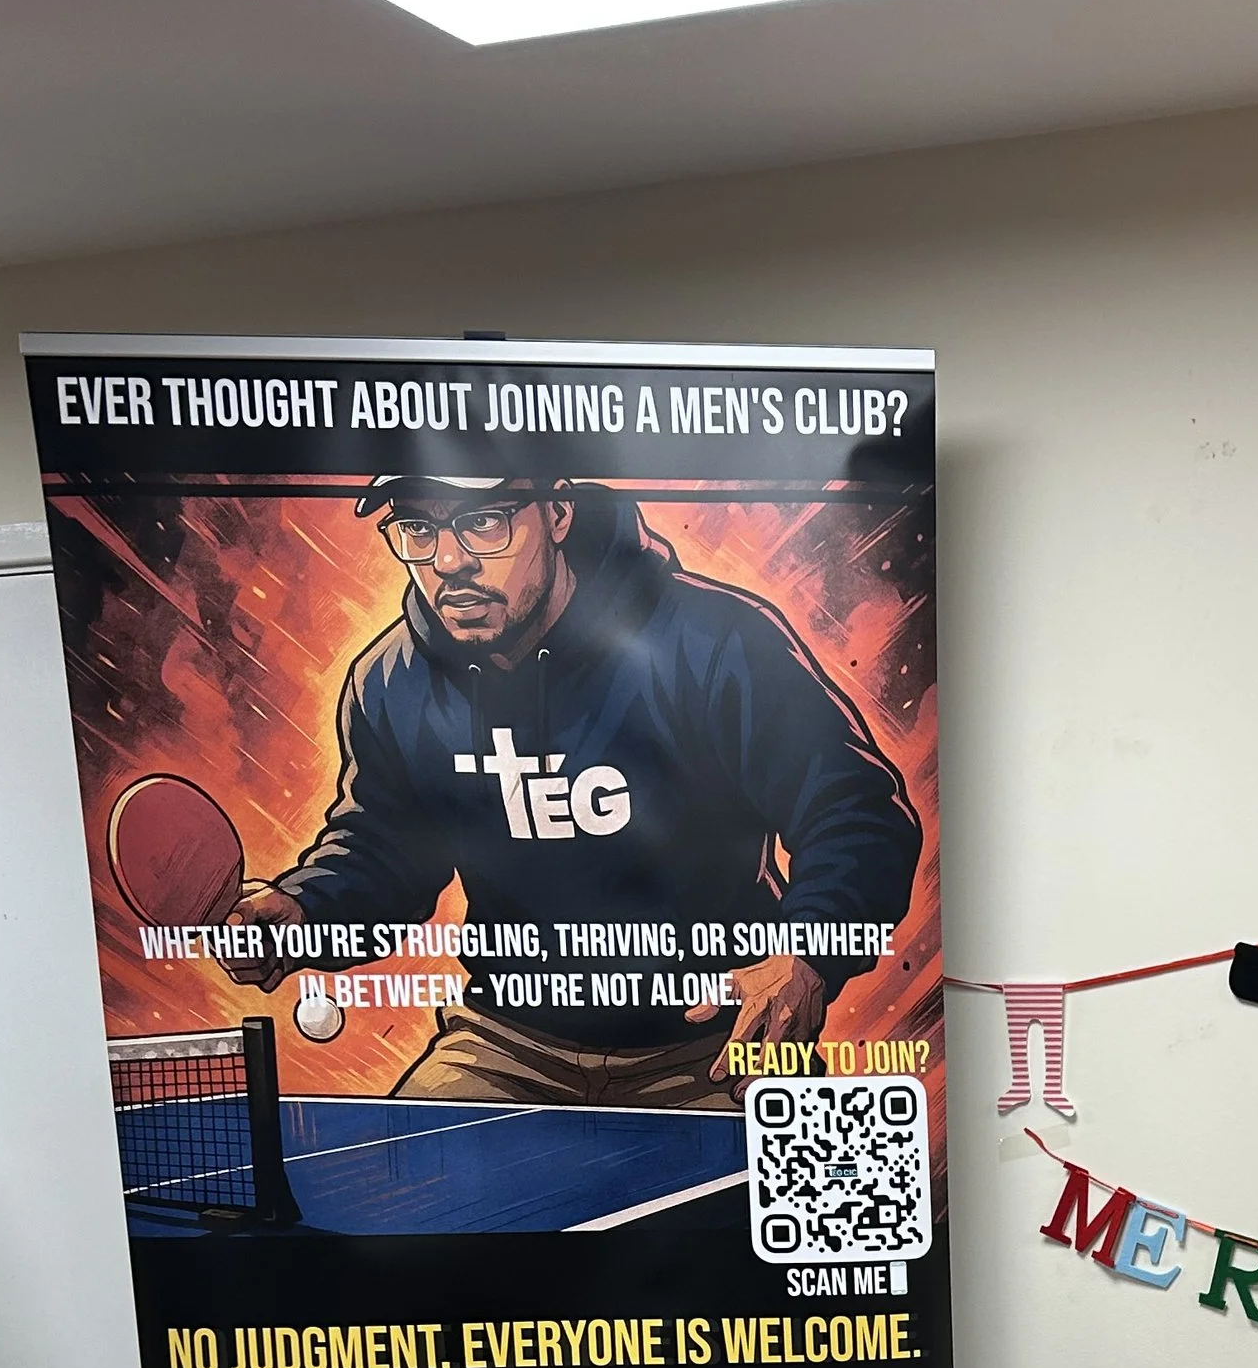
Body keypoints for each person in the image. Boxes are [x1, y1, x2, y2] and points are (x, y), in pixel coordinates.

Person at [234, 469, 921, 1103]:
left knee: (795, 1226)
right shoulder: (390, 682)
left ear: (557, 512)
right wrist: (303, 909)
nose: (449, 561)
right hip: (504, 1046)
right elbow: (383, 851)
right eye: (419, 529)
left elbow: (856, 813)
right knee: (383, 1215)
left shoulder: (718, 641)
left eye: (485, 521)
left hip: (724, 1045)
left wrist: (806, 952)